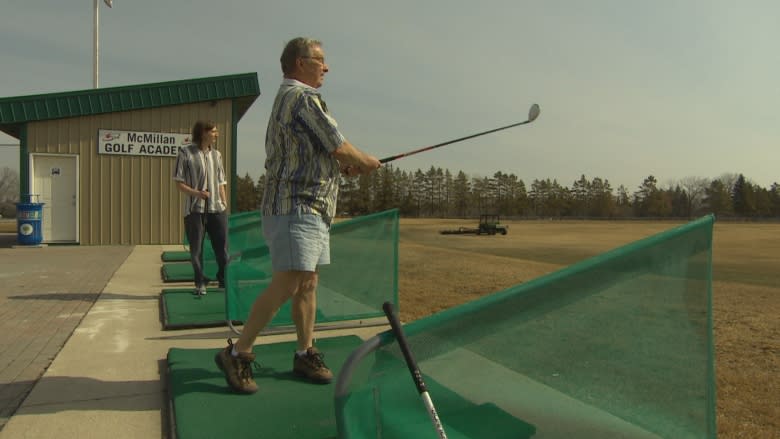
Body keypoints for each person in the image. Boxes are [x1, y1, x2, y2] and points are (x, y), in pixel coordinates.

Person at [214, 37, 381, 394]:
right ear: (301, 63)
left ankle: (305, 352)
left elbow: (318, 153)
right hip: (295, 206)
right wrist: (363, 161)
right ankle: (238, 352)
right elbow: (338, 144)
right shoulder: (301, 98)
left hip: (313, 207)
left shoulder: (293, 99)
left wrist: (340, 168)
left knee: (307, 283)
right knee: (289, 283)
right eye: (321, 60)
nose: (326, 67)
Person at [173, 120, 229, 296]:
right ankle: (200, 282)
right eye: (213, 131)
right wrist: (197, 193)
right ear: (203, 133)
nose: (216, 134)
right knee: (196, 249)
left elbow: (221, 182)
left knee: (223, 249)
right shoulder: (185, 153)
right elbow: (179, 183)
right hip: (194, 210)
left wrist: (224, 203)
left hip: (217, 210)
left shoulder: (217, 155)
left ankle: (223, 279)